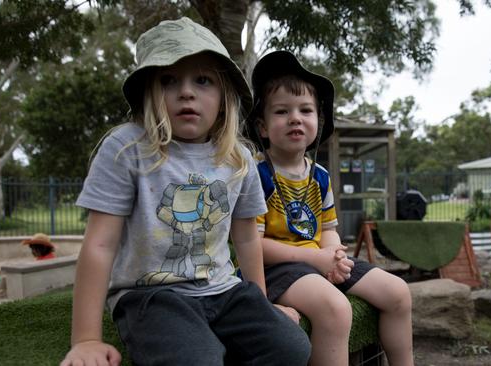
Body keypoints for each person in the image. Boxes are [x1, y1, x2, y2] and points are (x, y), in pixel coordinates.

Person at [60, 18, 310, 366]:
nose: (186, 92)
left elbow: (248, 239)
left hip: (225, 291)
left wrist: (262, 304)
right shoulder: (127, 148)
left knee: (291, 347)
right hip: (152, 296)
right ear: (148, 90)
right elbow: (100, 244)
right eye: (168, 79)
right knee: (198, 358)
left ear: (224, 97)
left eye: (203, 80)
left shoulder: (238, 159)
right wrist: (86, 339)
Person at [245, 50, 413, 366]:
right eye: (282, 111)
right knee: (336, 309)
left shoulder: (319, 176)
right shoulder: (257, 175)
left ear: (317, 122)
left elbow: (328, 231)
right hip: (276, 269)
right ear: (263, 127)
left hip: (318, 260)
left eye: (305, 110)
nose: (295, 117)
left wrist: (336, 258)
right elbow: (252, 245)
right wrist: (317, 258)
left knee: (398, 292)